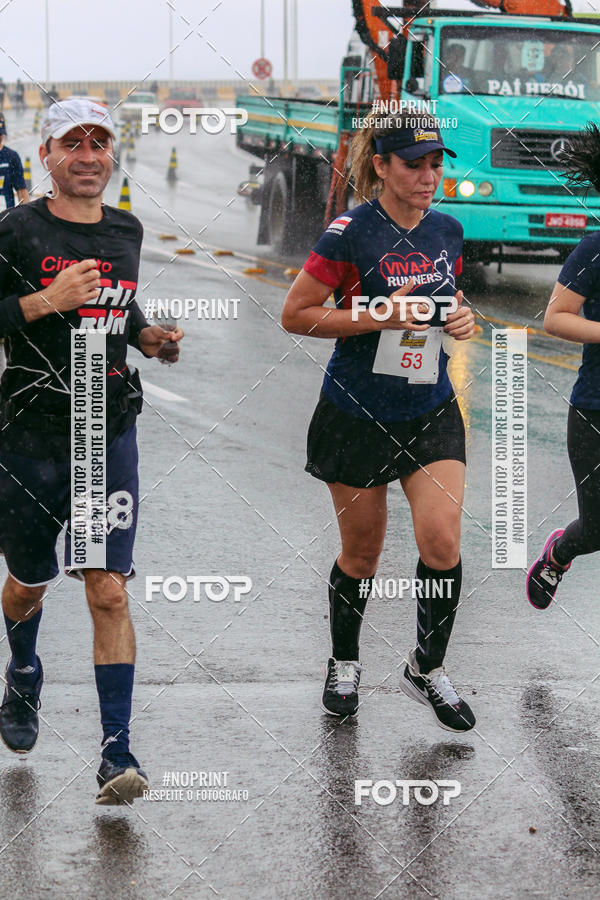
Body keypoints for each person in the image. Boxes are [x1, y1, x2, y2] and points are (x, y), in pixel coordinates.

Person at [0, 98, 184, 804]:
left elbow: (122, 309)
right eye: (70, 142)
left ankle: (116, 753)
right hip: (28, 432)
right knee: (29, 580)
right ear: (45, 154)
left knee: (107, 589)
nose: (86, 154)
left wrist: (148, 338)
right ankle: (22, 671)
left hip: (105, 429)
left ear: (112, 154)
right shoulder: (16, 230)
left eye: (98, 142)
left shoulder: (124, 230)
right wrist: (45, 302)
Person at [281, 114, 477, 732]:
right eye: (414, 164)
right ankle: (344, 661)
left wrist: (462, 321)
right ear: (382, 167)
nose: (428, 176)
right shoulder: (350, 233)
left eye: (435, 164)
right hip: (356, 410)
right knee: (361, 553)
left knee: (442, 541)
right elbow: (296, 315)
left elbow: (448, 303)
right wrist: (375, 314)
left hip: (429, 406)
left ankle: (427, 666)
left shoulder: (448, 230)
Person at [527, 121, 600, 609]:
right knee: (597, 528)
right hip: (596, 410)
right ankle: (561, 551)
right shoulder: (594, 249)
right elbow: (555, 318)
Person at [0, 114, 29, 209]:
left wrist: (26, 217)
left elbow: (21, 190)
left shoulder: (12, 156)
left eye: (0, 134)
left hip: (5, 217)